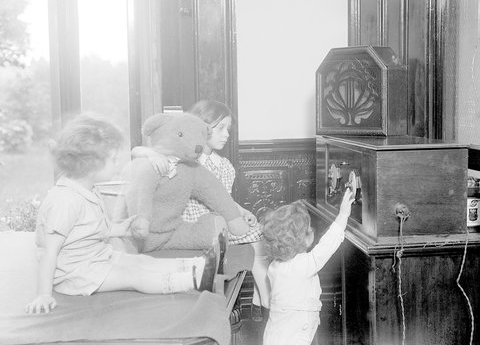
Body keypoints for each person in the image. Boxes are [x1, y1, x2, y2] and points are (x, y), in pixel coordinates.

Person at [25, 114, 217, 314]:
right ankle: (192, 280)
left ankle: (198, 265)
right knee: (133, 276)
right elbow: (50, 252)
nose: (117, 164)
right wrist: (43, 294)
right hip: (75, 274)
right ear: (91, 165)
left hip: (94, 256)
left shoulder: (88, 188)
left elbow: (90, 228)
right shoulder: (65, 201)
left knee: (141, 261)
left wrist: (118, 228)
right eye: (113, 159)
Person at [131, 99, 271, 320]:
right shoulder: (186, 158)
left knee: (259, 235)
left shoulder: (224, 165)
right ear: (203, 127)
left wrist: (242, 210)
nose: (226, 134)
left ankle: (259, 298)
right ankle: (264, 302)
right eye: (220, 128)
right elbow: (138, 150)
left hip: (220, 213)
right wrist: (151, 154)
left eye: (228, 129)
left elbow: (222, 198)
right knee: (255, 241)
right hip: (195, 218)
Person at [262, 189, 355, 345]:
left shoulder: (274, 266)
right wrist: (343, 215)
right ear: (303, 238)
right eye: (308, 229)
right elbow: (326, 247)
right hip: (295, 331)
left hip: (277, 330)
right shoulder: (302, 266)